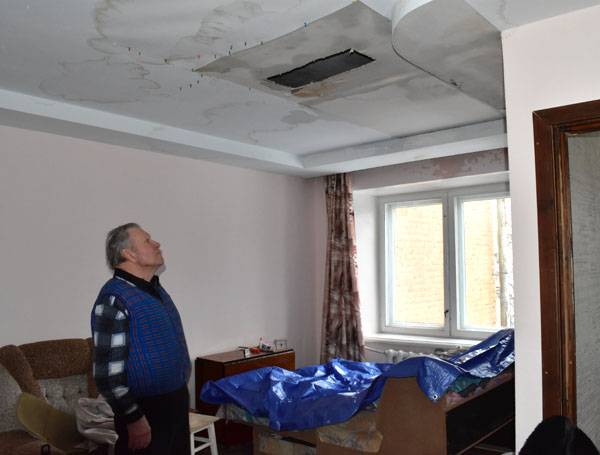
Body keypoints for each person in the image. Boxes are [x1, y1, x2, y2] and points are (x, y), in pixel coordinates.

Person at [91, 223, 191, 454]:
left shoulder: (155, 290)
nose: (156, 244)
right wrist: (133, 418)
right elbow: (107, 375)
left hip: (174, 403)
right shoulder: (114, 299)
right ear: (129, 253)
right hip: (145, 410)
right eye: (147, 240)